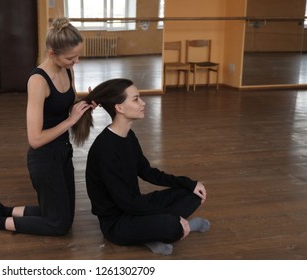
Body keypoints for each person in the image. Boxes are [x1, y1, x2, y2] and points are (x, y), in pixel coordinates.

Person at [0, 17, 93, 236]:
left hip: (62, 151)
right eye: (71, 57)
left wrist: (85, 103)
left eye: (78, 55)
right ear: (52, 54)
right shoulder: (38, 81)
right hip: (43, 157)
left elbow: (63, 104)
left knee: (63, 215)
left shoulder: (67, 70)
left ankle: (2, 210)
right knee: (58, 225)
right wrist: (70, 121)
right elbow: (35, 139)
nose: (76, 61)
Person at [71, 78, 210, 255]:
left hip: (135, 206)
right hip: (117, 223)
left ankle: (159, 232)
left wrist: (188, 183)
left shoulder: (129, 136)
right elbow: (125, 202)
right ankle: (179, 227)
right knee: (170, 225)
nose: (143, 103)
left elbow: (147, 172)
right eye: (136, 99)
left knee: (193, 194)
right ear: (119, 107)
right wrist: (174, 217)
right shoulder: (104, 149)